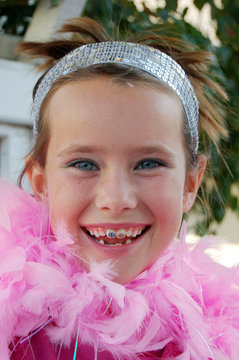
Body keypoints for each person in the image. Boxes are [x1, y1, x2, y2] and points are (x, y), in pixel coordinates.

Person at [0, 17, 238, 360]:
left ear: (190, 183)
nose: (116, 199)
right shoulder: (14, 329)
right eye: (84, 164)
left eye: (148, 164)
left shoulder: (215, 338)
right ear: (41, 181)